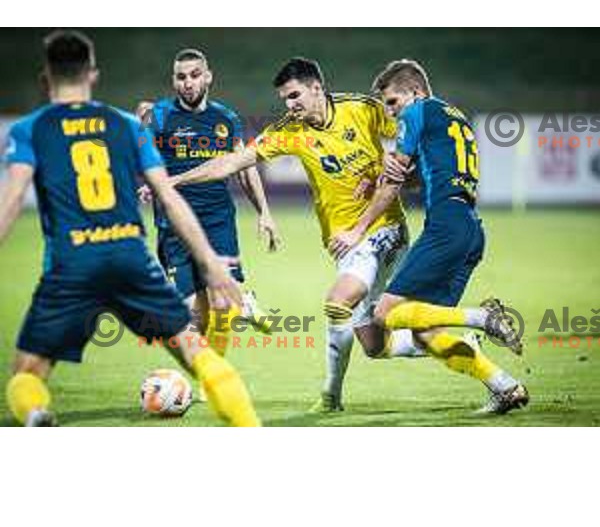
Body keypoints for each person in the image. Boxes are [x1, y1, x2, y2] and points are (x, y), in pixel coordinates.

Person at [0, 30, 260, 426]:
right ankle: (249, 427)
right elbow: (169, 198)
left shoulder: (29, 129)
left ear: (45, 78)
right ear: (93, 75)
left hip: (72, 264)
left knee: (26, 373)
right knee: (197, 353)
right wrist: (210, 260)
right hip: (130, 258)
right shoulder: (126, 125)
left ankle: (35, 414)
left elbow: (12, 200)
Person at [164, 57, 427, 412]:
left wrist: (398, 170)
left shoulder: (363, 109)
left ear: (317, 87)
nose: (289, 106)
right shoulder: (291, 130)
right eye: (284, 99)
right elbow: (232, 162)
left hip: (382, 229)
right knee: (373, 344)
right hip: (340, 240)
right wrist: (175, 180)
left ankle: (330, 397)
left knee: (338, 302)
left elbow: (417, 131)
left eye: (294, 96)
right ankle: (453, 336)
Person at [352, 59, 528, 415]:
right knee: (425, 331)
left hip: (446, 223)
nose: (390, 112)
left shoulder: (416, 113)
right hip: (471, 228)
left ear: (415, 92)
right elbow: (425, 174)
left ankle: (481, 318)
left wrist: (362, 219)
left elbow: (396, 176)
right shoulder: (454, 117)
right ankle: (505, 386)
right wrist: (390, 175)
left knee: (384, 314)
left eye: (392, 102)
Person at [137, 49, 281, 355]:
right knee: (194, 312)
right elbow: (144, 156)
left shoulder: (225, 118)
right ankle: (242, 304)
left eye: (194, 75)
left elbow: (245, 166)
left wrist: (264, 212)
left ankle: (216, 374)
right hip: (175, 224)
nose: (188, 83)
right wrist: (149, 183)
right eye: (181, 77)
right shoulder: (160, 115)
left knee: (219, 303)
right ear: (173, 81)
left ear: (208, 77)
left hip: (218, 220)